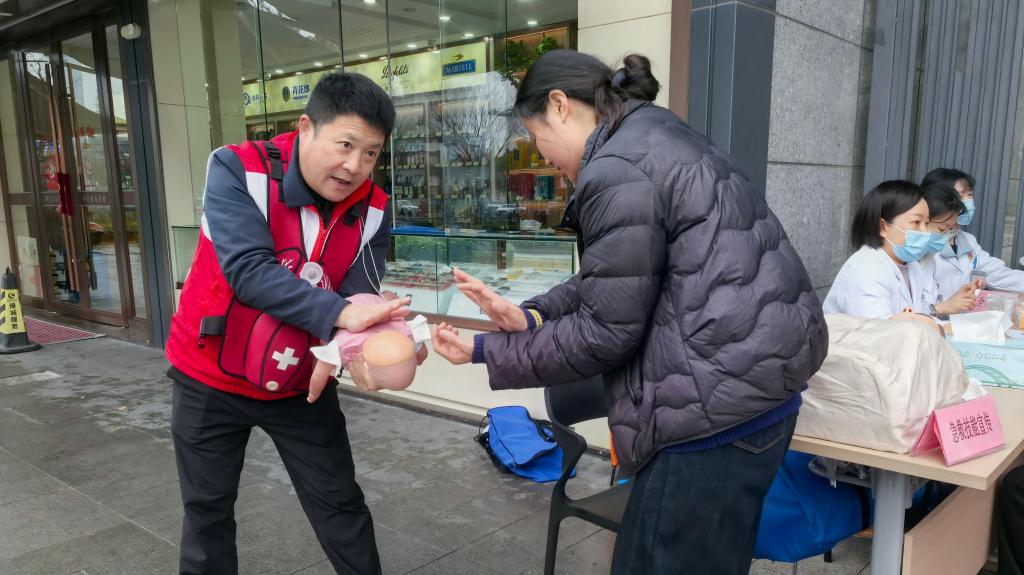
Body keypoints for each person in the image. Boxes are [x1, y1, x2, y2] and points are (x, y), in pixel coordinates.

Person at [430, 50, 829, 575]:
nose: (541, 155)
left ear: (560, 105)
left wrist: (485, 349)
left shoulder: (616, 168)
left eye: (535, 135)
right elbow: (618, 276)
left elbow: (604, 332)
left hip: (711, 411)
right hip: (757, 391)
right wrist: (532, 317)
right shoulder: (655, 135)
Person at [164, 72, 414, 575]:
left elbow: (359, 290)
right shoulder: (238, 169)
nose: (355, 166)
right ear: (305, 127)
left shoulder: (374, 208)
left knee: (339, 502)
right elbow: (248, 271)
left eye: (371, 153)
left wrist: (359, 343)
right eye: (345, 145)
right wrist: (341, 315)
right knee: (207, 513)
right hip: (208, 376)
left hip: (303, 382)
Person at [823, 180, 976, 320]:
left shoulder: (910, 265)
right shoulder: (867, 270)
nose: (925, 232)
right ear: (882, 227)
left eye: (926, 223)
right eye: (916, 222)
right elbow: (878, 333)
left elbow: (919, 312)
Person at [921, 168, 1024, 298]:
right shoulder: (921, 244)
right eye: (960, 195)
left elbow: (996, 273)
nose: (968, 202)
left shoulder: (968, 240)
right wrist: (945, 306)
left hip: (962, 310)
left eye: (969, 195)